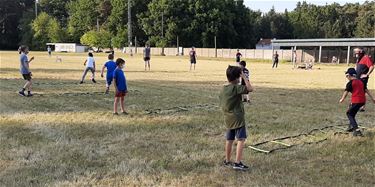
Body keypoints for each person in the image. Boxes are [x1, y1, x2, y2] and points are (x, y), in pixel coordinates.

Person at [219, 65, 253, 170]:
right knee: (241, 139)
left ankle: (227, 160)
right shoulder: (236, 88)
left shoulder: (224, 88)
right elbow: (250, 88)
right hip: (238, 119)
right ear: (236, 77)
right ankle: (238, 163)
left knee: (229, 139)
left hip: (228, 118)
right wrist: (244, 76)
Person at [339, 68, 375, 136]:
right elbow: (366, 90)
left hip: (356, 101)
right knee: (352, 111)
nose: (346, 77)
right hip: (362, 101)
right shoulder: (361, 81)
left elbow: (346, 92)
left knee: (349, 114)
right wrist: (373, 98)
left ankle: (357, 130)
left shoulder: (350, 83)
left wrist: (342, 99)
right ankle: (351, 126)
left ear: (350, 75)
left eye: (347, 76)